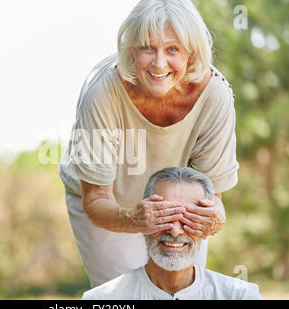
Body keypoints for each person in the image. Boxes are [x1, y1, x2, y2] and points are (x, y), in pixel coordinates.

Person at [59, 0, 239, 288]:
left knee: (179, 290)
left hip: (173, 203)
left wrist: (212, 219)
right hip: (106, 200)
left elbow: (214, 198)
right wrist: (136, 218)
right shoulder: (102, 91)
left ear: (191, 54)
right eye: (147, 48)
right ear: (131, 49)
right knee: (125, 295)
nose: (158, 63)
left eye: (172, 49)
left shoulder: (215, 95)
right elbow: (94, 200)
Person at [82, 167, 261, 300]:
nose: (175, 231)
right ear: (144, 220)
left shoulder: (239, 295)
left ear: (206, 226)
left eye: (188, 219)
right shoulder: (102, 301)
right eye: (164, 216)